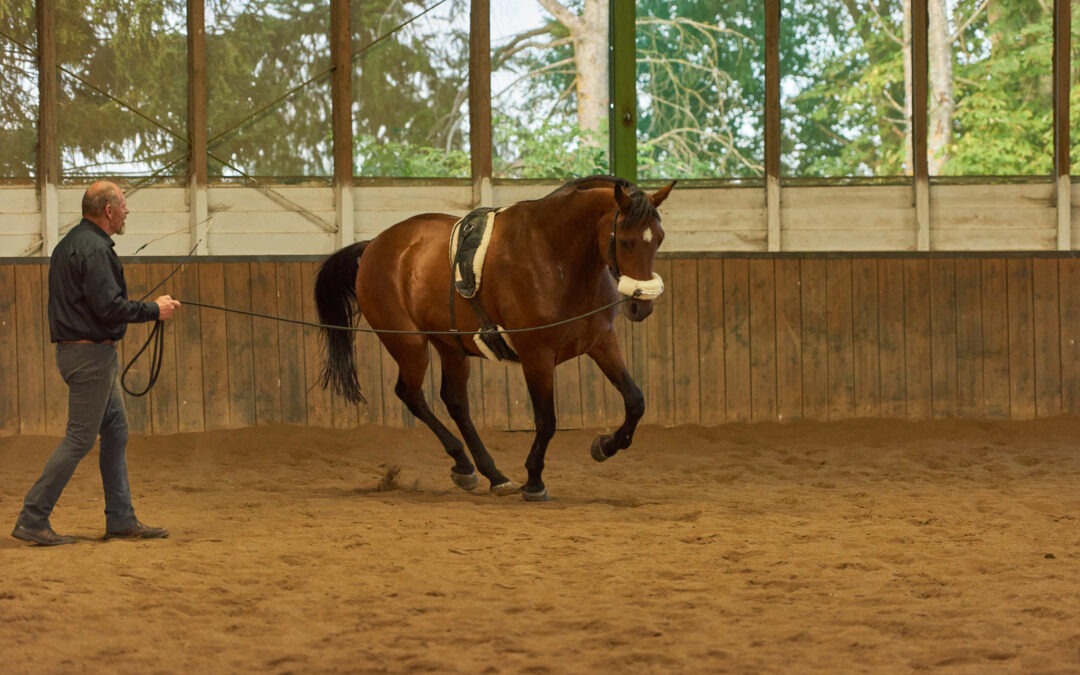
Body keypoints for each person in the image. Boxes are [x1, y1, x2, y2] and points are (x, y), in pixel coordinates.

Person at [11, 181, 182, 546]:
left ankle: (121, 519)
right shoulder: (96, 250)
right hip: (90, 358)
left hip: (82, 354)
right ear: (108, 211)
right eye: (123, 205)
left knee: (116, 431)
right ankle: (32, 516)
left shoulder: (69, 245)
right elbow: (110, 308)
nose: (126, 212)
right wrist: (156, 310)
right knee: (80, 438)